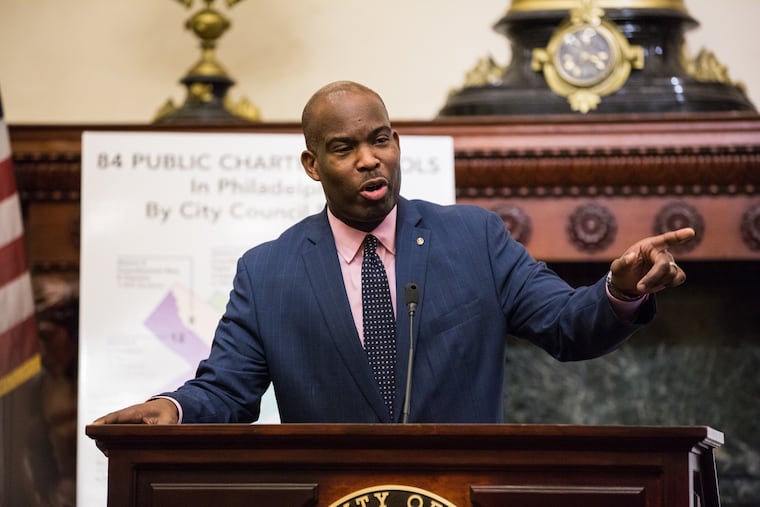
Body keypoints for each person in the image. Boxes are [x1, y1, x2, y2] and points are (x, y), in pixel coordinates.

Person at [93, 80, 694, 425]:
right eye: (343, 147)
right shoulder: (269, 271)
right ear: (313, 164)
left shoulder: (474, 239)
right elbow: (228, 390)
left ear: (397, 142)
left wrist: (620, 290)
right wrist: (171, 408)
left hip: (458, 492)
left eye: (380, 140)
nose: (368, 159)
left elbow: (568, 326)